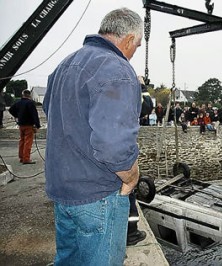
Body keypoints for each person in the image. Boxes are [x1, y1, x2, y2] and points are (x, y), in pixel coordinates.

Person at [43, 8, 144, 265]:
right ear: (129, 39)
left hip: (62, 189)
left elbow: (51, 112)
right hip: (96, 194)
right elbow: (113, 144)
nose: (134, 52)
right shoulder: (117, 69)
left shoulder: (64, 65)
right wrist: (131, 176)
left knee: (68, 260)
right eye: (138, 45)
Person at [9, 89, 41, 164]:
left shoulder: (18, 102)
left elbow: (10, 109)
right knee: (28, 142)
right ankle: (26, 159)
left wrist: (17, 116)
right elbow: (34, 115)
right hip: (29, 125)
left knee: (22, 141)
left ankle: (21, 157)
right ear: (29, 95)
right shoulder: (30, 103)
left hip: (21, 125)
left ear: (22, 95)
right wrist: (37, 125)